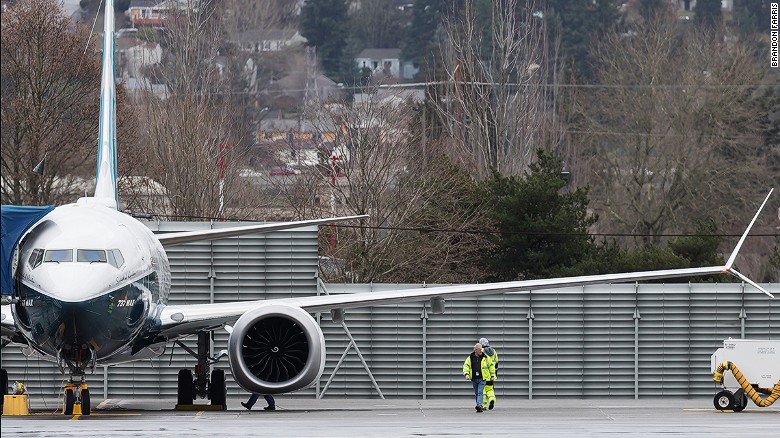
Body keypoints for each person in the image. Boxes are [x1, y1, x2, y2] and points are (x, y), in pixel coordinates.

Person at [462, 343, 496, 413]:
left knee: (480, 392)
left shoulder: (486, 357)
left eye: (481, 349)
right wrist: (466, 374)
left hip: (482, 378)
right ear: (475, 350)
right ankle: (479, 405)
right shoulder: (470, 358)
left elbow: (491, 366)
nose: (481, 351)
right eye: (480, 350)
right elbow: (466, 366)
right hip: (474, 378)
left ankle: (479, 405)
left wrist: (492, 376)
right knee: (477, 393)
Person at [479, 337, 499, 410]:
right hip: (492, 374)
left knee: (483, 390)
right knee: (490, 389)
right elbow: (496, 363)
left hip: (484, 374)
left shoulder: (482, 351)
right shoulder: (493, 351)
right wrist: (494, 374)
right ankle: (492, 399)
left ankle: (483, 405)